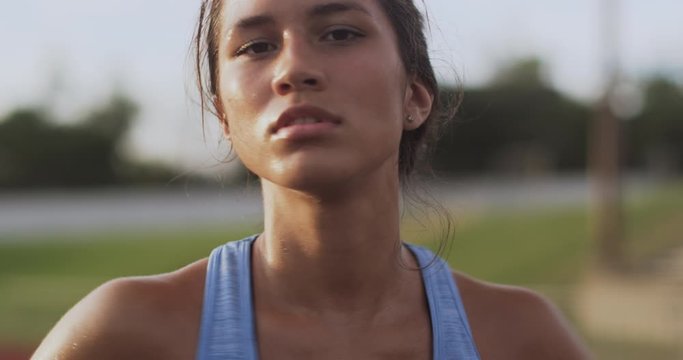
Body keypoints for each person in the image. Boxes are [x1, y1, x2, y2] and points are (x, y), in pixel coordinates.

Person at [33, 0, 591, 359]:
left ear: (415, 97)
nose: (293, 68)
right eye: (256, 46)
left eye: (341, 33)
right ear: (224, 118)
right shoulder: (126, 335)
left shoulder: (519, 337)